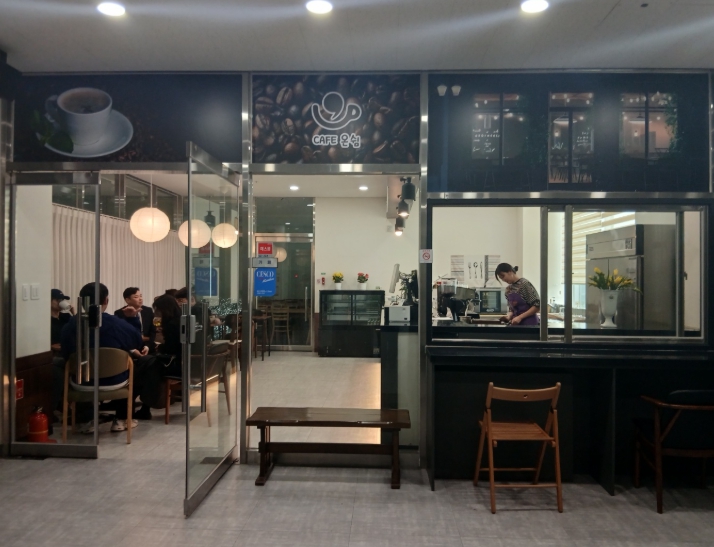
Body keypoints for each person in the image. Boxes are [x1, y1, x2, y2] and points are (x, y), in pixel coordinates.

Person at [61, 282, 151, 431]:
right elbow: (138, 342)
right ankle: (122, 418)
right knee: (139, 365)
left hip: (81, 382)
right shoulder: (117, 324)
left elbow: (65, 353)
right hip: (115, 381)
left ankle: (85, 420)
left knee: (71, 368)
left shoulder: (70, 325)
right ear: (106, 300)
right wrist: (131, 319)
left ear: (82, 301)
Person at [50, 289, 75, 421]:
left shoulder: (66, 317)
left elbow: (77, 328)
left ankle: (74, 405)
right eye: (57, 300)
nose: (61, 302)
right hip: (54, 354)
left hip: (67, 351)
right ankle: (55, 406)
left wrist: (73, 313)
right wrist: (51, 346)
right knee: (60, 371)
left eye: (62, 300)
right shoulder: (45, 320)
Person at [114, 287, 156, 353]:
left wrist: (147, 346)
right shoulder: (120, 313)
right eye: (136, 297)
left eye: (141, 296)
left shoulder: (148, 311)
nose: (140, 299)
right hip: (129, 348)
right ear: (127, 300)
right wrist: (132, 350)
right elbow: (121, 334)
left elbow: (153, 331)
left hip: (147, 346)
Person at [153, 294, 183, 377]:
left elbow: (171, 348)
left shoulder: (171, 325)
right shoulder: (182, 318)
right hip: (185, 361)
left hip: (176, 363)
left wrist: (160, 347)